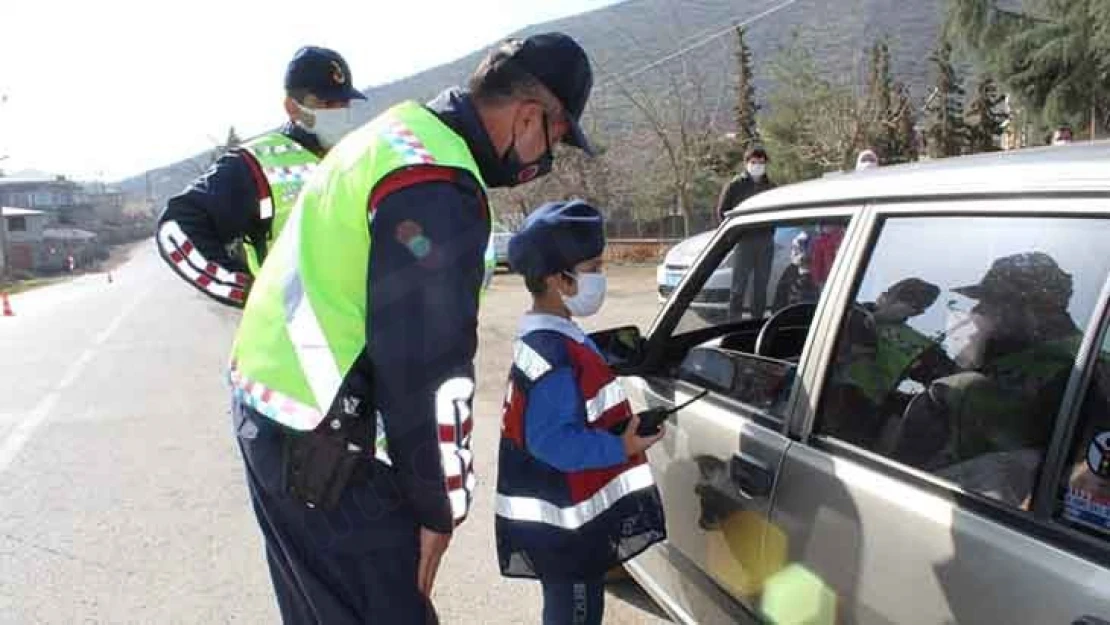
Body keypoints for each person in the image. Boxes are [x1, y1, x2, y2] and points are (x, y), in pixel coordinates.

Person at [227, 32, 595, 623]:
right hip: (331, 458)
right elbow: (429, 369)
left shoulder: (394, 135)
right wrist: (438, 510)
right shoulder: (438, 184)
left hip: (272, 414)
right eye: (555, 138)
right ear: (530, 117)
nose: (545, 158)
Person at [496, 200, 666, 625]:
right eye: (592, 267)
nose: (599, 277)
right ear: (559, 280)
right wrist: (619, 445)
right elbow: (552, 440)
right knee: (574, 613)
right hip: (565, 530)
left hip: (571, 523)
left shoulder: (554, 332)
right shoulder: (553, 352)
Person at [156, 46, 366, 307]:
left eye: (343, 102)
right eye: (325, 103)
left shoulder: (357, 153)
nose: (338, 111)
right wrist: (246, 292)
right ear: (292, 107)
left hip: (362, 328)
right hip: (294, 337)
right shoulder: (255, 164)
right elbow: (176, 227)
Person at [892, 253, 1082, 503]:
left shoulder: (1053, 371)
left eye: (987, 303)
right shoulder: (1074, 356)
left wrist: (964, 366)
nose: (975, 311)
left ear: (1021, 310)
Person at [715, 146, 774, 222]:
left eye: (761, 162)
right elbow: (722, 213)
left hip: (766, 230)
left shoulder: (770, 187)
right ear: (746, 163)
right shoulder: (734, 185)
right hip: (742, 230)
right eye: (753, 162)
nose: (757, 166)